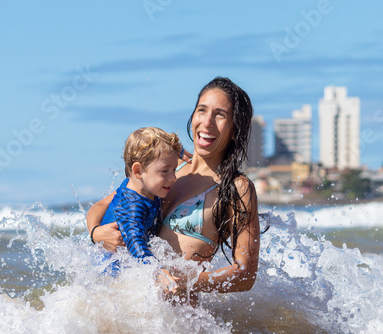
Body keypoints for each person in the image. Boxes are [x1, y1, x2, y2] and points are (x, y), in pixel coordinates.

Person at [87, 77, 260, 301]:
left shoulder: (237, 188)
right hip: (123, 306)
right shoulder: (167, 166)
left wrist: (187, 281)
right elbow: (102, 205)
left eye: (220, 115)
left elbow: (245, 275)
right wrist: (96, 234)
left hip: (174, 320)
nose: (207, 122)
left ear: (235, 130)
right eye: (202, 110)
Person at [90, 127, 182, 291]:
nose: (173, 178)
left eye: (174, 169)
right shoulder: (132, 206)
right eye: (165, 171)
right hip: (110, 273)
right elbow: (134, 240)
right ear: (138, 170)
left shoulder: (139, 187)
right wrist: (156, 271)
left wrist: (179, 154)